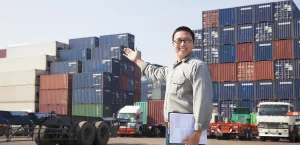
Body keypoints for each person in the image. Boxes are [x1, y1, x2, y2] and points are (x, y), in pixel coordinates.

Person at [123, 26, 213, 145]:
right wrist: (137, 60)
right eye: (179, 40)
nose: (182, 43)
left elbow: (203, 101)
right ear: (172, 44)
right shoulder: (172, 68)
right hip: (172, 130)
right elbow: (155, 72)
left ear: (193, 43)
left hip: (189, 131)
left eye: (187, 40)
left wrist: (197, 133)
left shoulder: (197, 66)